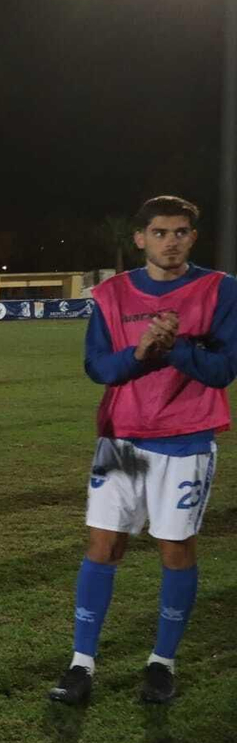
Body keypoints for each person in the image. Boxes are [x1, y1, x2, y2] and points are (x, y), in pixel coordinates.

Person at [49, 195, 236, 706]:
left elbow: (223, 371)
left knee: (175, 548)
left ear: (193, 238)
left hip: (186, 440)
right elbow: (99, 369)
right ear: (140, 238)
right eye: (159, 232)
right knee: (103, 546)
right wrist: (141, 351)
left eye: (180, 232)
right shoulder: (112, 294)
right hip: (122, 439)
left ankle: (161, 663)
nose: (170, 242)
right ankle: (81, 663)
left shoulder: (220, 290)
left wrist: (176, 346)